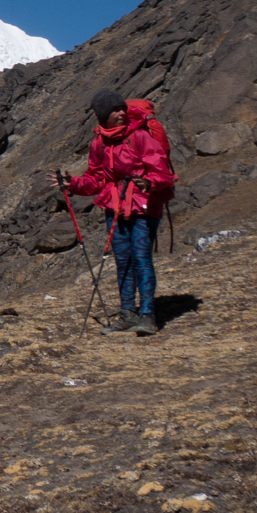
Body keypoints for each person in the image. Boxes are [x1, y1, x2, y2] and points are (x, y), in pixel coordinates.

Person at [50, 90, 174, 335]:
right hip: (115, 205)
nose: (121, 113)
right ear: (103, 116)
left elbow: (161, 170)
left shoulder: (139, 136)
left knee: (141, 258)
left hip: (144, 204)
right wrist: (72, 183)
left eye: (122, 109)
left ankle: (148, 316)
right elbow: (96, 179)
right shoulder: (99, 143)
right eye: (115, 110)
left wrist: (148, 182)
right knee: (123, 260)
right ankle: (128, 313)